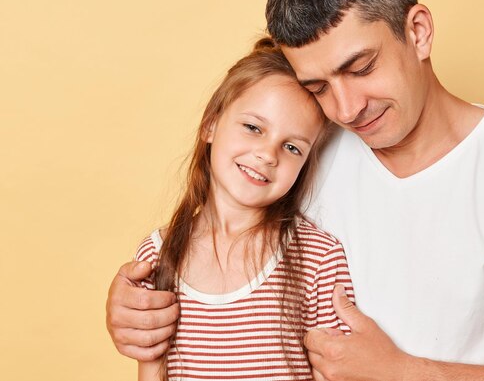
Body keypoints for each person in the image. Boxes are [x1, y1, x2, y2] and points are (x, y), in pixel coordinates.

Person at [107, 0, 484, 380]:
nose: (348, 108)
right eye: (318, 87)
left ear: (417, 32)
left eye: (361, 67)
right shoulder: (301, 150)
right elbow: (219, 249)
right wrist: (136, 310)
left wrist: (407, 373)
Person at [130, 38, 354, 380]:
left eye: (292, 147)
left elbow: (338, 371)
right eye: (253, 128)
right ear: (211, 124)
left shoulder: (319, 258)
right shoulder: (155, 256)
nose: (268, 154)